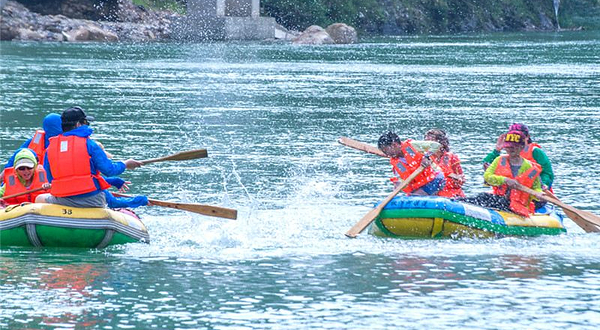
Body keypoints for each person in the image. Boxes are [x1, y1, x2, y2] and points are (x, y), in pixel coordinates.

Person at [36, 106, 145, 208]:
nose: (87, 124)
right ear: (78, 124)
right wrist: (125, 164)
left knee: (39, 198)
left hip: (62, 200)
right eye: (86, 122)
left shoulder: (50, 149)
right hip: (92, 200)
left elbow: (51, 178)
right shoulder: (90, 145)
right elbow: (109, 170)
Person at [460, 131, 544, 216]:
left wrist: (538, 194)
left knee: (499, 202)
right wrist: (504, 180)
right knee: (483, 196)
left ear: (521, 147)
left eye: (514, 146)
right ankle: (456, 203)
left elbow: (537, 188)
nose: (510, 149)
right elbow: (487, 177)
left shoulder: (530, 168)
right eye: (508, 146)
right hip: (500, 197)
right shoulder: (499, 160)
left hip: (518, 205)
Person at [483, 123, 554, 190]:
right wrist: (497, 150)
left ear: (527, 137)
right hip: (509, 191)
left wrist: (544, 185)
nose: (513, 146)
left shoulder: (535, 152)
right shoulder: (507, 153)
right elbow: (487, 165)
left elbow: (547, 173)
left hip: (532, 191)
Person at [377, 131, 446, 196]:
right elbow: (401, 178)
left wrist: (426, 157)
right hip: (421, 184)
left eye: (386, 150)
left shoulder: (412, 145)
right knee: (410, 197)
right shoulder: (396, 163)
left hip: (435, 178)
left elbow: (436, 145)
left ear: (394, 145)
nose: (386, 154)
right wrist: (398, 184)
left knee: (415, 196)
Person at [424, 129, 465, 198]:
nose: (428, 145)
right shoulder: (424, 158)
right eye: (426, 142)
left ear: (441, 143)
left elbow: (460, 181)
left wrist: (456, 179)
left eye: (431, 142)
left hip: (450, 193)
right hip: (430, 193)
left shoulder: (452, 158)